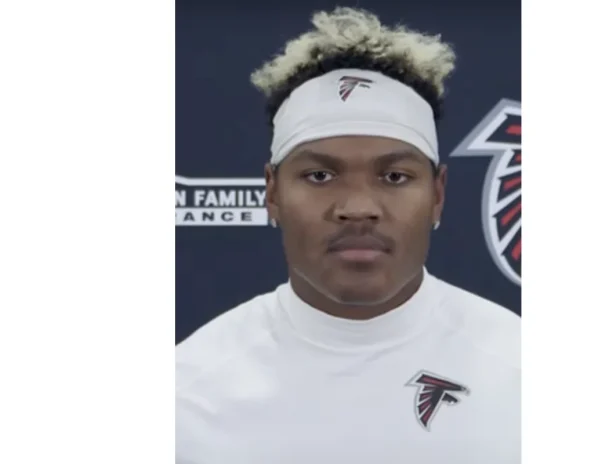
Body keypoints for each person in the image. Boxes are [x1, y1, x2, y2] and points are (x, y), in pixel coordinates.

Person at [176, 7, 520, 464]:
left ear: (437, 194)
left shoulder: (520, 370)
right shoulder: (187, 394)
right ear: (273, 193)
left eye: (394, 177)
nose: (358, 207)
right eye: (320, 176)